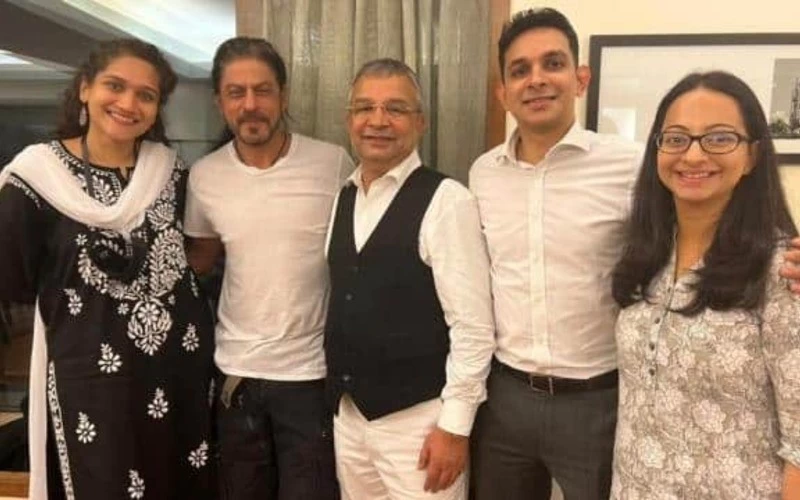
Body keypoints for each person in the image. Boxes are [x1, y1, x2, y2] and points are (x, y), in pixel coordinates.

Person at [0, 39, 215, 499]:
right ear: (85, 89)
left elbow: (199, 255)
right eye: (115, 86)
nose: (128, 104)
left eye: (146, 95)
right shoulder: (36, 179)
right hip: (91, 384)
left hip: (179, 376)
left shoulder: (173, 174)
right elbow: (10, 282)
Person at [468, 9, 641, 499]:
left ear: (580, 78)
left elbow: (699, 234)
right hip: (504, 399)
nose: (537, 79)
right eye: (520, 70)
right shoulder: (483, 174)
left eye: (553, 63)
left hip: (597, 400)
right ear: (503, 92)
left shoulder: (629, 166)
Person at [610, 70, 800, 499]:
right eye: (676, 139)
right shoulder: (645, 257)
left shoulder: (781, 270)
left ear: (752, 156)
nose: (693, 155)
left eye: (719, 138)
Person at [183, 37, 351, 499]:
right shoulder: (205, 176)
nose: (250, 104)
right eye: (236, 92)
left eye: (263, 90)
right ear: (219, 101)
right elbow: (200, 260)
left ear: (284, 95)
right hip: (236, 376)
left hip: (311, 376)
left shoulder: (331, 163)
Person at [324, 58, 494, 500]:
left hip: (420, 426)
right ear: (349, 119)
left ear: (420, 122)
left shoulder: (447, 200)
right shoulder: (343, 197)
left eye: (395, 108)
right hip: (350, 417)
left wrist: (454, 427)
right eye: (365, 108)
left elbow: (473, 327)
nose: (378, 120)